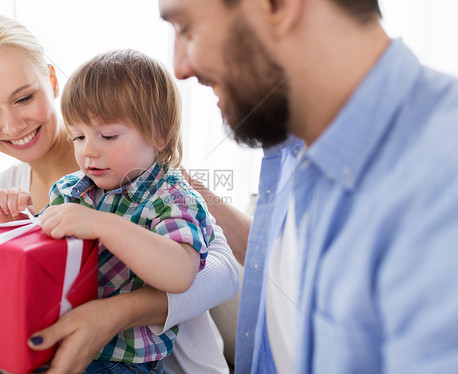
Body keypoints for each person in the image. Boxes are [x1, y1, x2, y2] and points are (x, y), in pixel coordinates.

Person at [158, 0, 458, 373]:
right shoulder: (293, 143)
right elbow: (282, 255)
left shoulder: (441, 176)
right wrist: (177, 181)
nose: (179, 67)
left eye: (187, 28)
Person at [0, 14, 239, 374]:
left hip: (143, 360)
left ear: (51, 80)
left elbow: (219, 271)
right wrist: (9, 230)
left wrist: (114, 310)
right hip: (61, 339)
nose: (12, 125)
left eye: (23, 98)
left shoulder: (141, 166)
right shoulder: (25, 184)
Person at [0, 48, 215, 373]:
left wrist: (102, 225)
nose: (88, 151)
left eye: (108, 135)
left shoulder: (172, 197)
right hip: (59, 339)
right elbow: (42, 263)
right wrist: (14, 226)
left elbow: (180, 274)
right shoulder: (71, 189)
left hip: (122, 361)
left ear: (162, 134)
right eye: (78, 136)